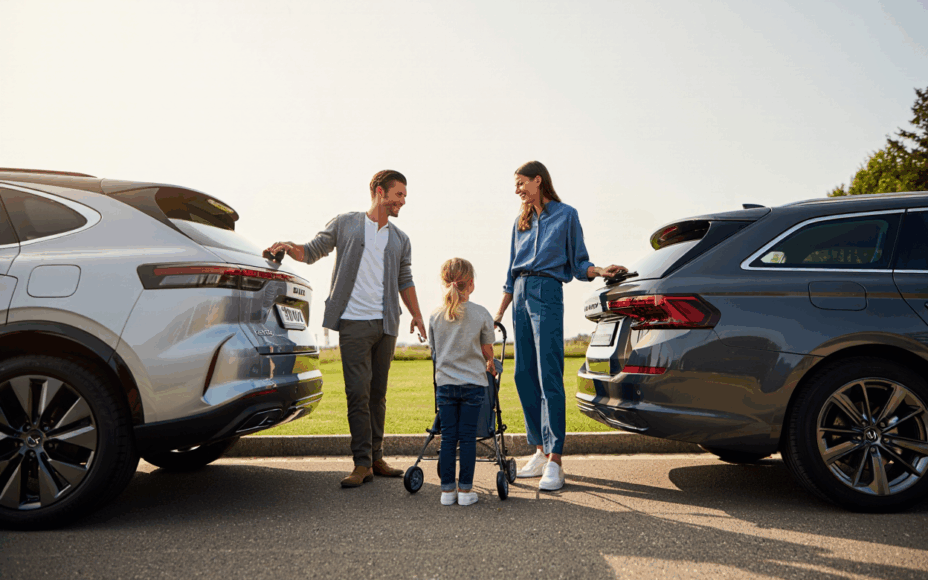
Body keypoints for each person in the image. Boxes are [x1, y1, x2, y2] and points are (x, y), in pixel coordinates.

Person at [266, 169, 428, 488]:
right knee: (357, 391)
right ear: (380, 192)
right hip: (353, 322)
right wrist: (287, 246)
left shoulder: (400, 239)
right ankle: (361, 462)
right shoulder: (346, 223)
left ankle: (376, 457)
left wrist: (417, 315)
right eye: (399, 195)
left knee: (377, 395)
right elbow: (313, 251)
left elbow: (404, 279)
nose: (403, 201)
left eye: (405, 196)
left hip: (387, 324)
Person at [494, 161, 626, 492]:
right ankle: (538, 450)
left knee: (548, 373)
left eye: (521, 183)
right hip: (521, 293)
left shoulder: (566, 215)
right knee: (522, 374)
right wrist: (498, 315)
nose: (518, 190)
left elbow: (579, 262)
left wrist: (599, 271)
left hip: (548, 291)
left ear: (539, 180)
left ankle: (555, 459)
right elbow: (511, 272)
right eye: (516, 185)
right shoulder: (519, 222)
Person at [429, 258, 497, 506]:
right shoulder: (481, 314)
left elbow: (435, 352)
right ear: (471, 284)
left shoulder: (436, 316)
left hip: (446, 385)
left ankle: (447, 491)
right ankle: (466, 491)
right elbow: (487, 350)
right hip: (473, 385)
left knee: (448, 438)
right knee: (467, 438)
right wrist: (490, 363)